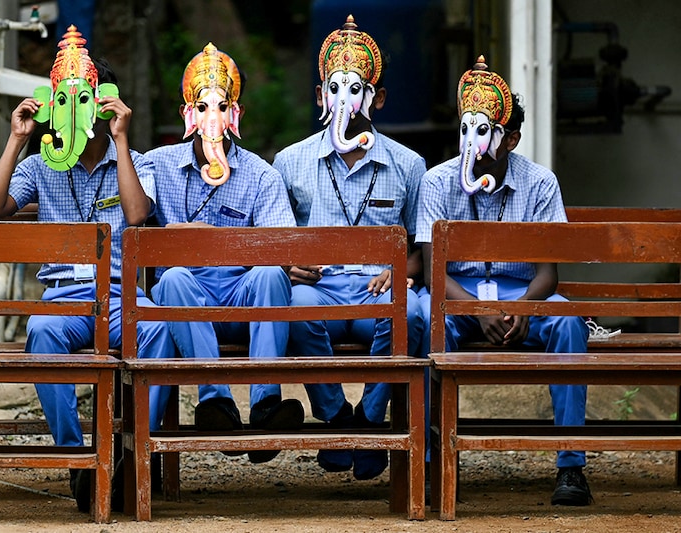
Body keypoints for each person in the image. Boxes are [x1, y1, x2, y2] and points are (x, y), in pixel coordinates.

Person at [0, 27, 175, 512]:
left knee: (163, 330)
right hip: (64, 298)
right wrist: (18, 139)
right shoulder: (44, 165)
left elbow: (135, 214)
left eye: (84, 100)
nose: (75, 111)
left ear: (104, 104)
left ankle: (128, 457)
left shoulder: (135, 161)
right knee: (41, 332)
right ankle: (77, 456)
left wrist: (121, 140)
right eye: (65, 100)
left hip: (123, 298)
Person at [415, 56, 592, 506]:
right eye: (465, 129)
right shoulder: (437, 182)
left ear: (510, 138)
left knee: (569, 324)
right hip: (459, 296)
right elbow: (434, 269)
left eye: (485, 131)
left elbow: (549, 273)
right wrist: (477, 309)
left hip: (524, 295)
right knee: (427, 324)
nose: (470, 144)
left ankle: (571, 467)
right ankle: (434, 462)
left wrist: (527, 309)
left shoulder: (540, 183)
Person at [272, 15, 427, 481]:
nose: (344, 99)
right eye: (334, 88)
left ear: (376, 98)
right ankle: (337, 415)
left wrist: (403, 272)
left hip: (378, 287)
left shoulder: (408, 164)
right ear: (320, 95)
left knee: (414, 314)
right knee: (291, 305)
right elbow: (277, 238)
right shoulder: (290, 161)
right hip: (319, 288)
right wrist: (289, 265)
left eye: (356, 88)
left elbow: (421, 245)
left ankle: (369, 418)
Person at [144, 43, 304, 464]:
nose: (210, 118)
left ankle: (267, 405)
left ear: (237, 114)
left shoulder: (262, 175)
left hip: (241, 294)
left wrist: (285, 261)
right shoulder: (156, 165)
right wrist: (189, 232)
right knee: (174, 276)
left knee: (271, 275)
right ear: (187, 114)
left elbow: (280, 244)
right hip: (187, 297)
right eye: (201, 107)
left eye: (221, 106)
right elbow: (132, 215)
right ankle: (217, 405)